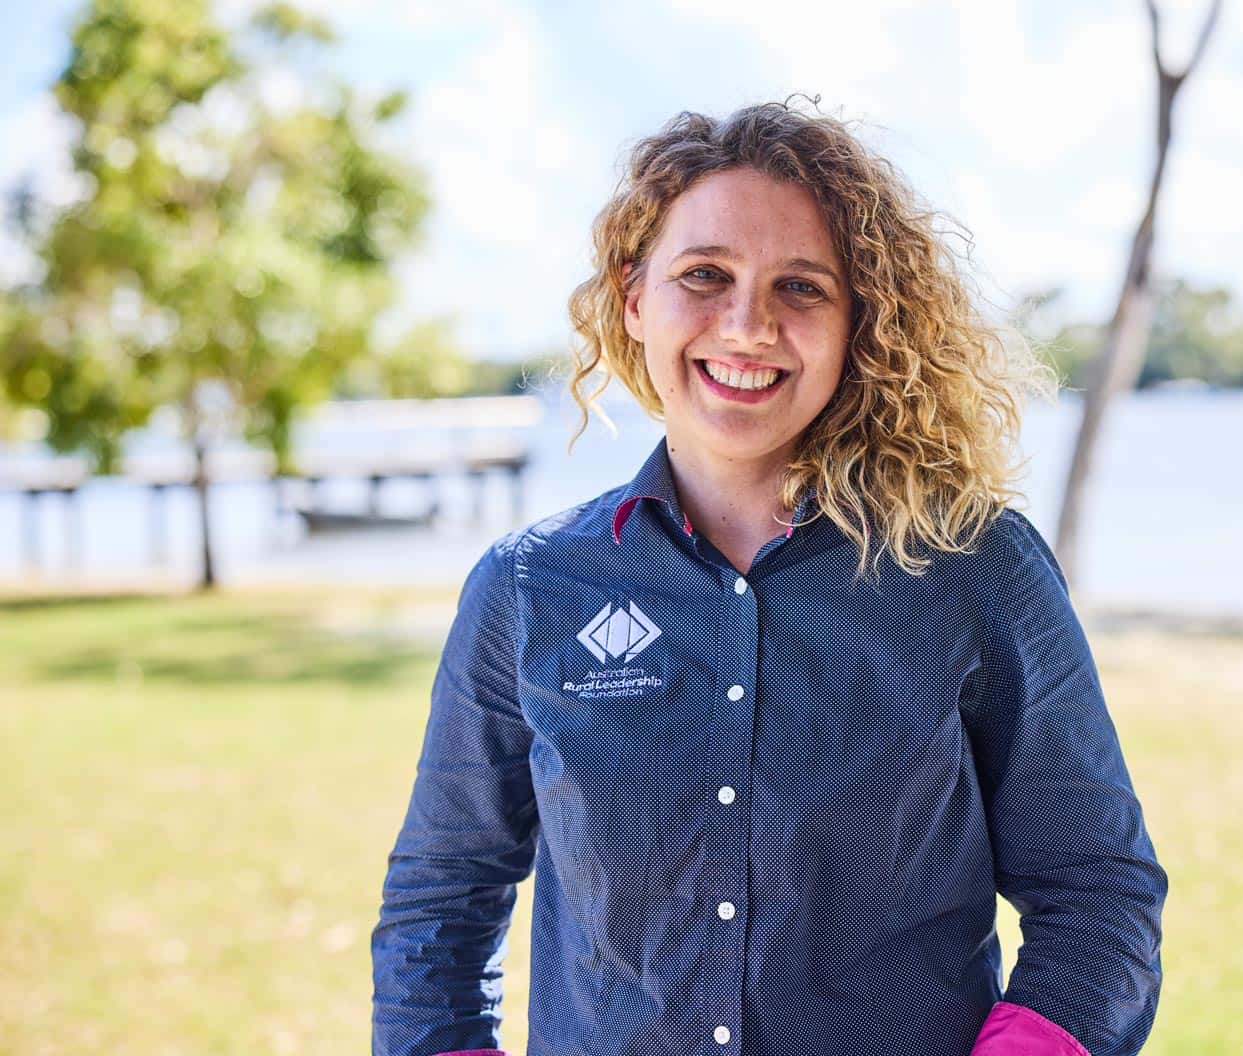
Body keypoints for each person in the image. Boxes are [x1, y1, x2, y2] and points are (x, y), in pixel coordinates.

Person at [370, 98, 1166, 1056]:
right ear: (634, 299)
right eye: (704, 276)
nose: (747, 327)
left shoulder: (971, 568)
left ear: (857, 324)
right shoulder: (530, 588)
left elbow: (1095, 890)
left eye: (801, 288)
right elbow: (439, 903)